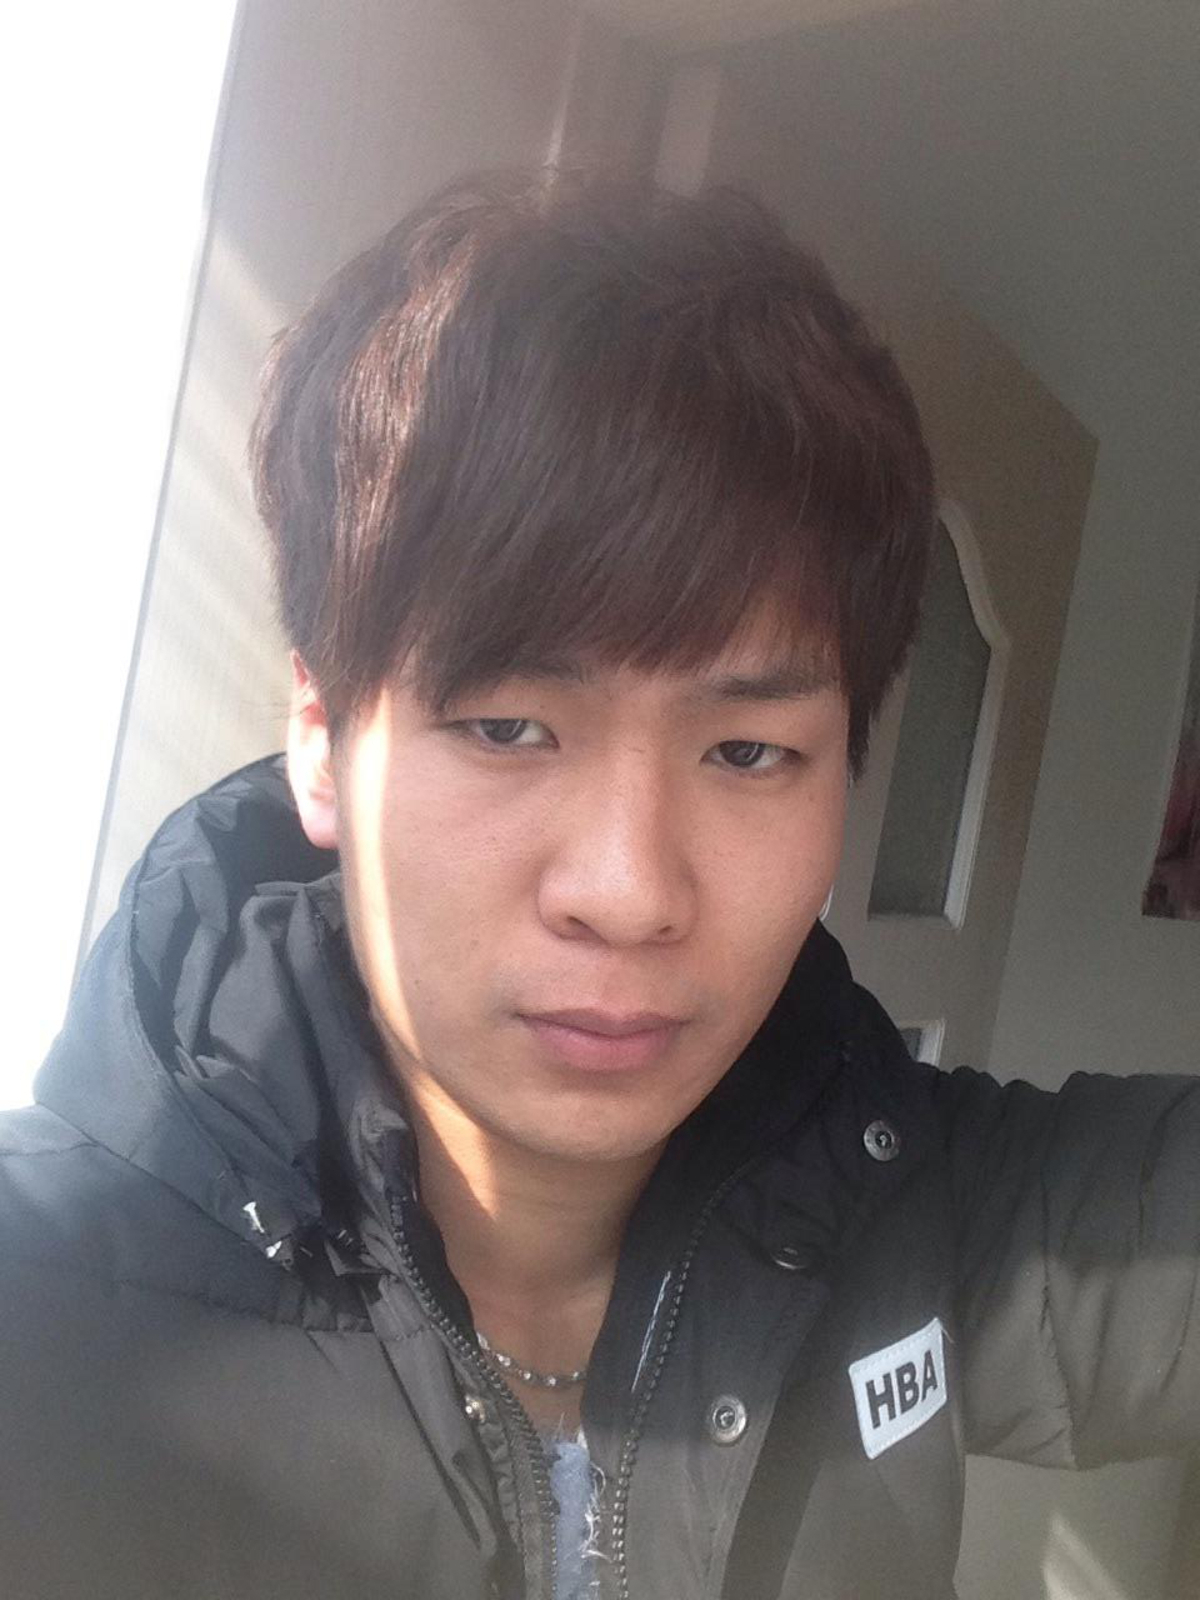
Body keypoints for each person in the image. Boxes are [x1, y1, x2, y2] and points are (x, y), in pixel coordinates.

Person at [1, 168, 1197, 1600]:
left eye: (748, 751)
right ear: (320, 736)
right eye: (507, 727)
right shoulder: (51, 1317)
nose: (629, 892)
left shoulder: (902, 1199)